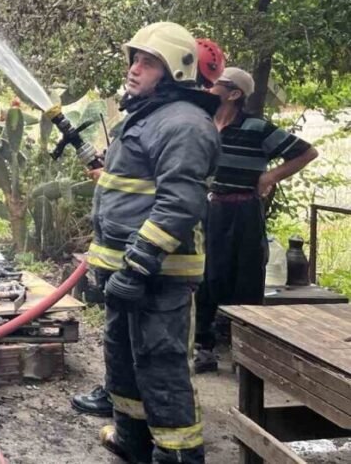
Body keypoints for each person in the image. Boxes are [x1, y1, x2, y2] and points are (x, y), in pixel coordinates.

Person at [71, 37, 225, 419]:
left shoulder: (185, 124)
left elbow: (179, 204)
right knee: (124, 366)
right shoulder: (147, 116)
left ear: (173, 72)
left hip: (157, 275)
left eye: (148, 63)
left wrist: (138, 265)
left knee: (161, 371)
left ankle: (177, 454)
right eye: (135, 60)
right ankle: (131, 442)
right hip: (128, 272)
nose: (134, 69)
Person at [193, 67, 319, 372]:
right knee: (206, 276)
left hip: (244, 210)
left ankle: (245, 356)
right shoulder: (202, 124)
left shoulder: (256, 127)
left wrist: (270, 176)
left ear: (235, 94)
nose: (208, 88)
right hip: (210, 210)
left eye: (216, 85)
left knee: (247, 278)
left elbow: (307, 153)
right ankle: (204, 348)